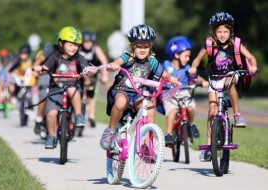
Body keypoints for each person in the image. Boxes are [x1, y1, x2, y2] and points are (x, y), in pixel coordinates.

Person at [188, 12, 258, 161]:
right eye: (219, 31)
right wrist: (193, 68)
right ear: (214, 32)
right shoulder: (209, 44)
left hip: (231, 75)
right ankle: (209, 146)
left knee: (230, 82)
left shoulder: (235, 44)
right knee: (212, 112)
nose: (222, 34)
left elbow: (251, 57)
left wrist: (253, 67)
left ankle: (237, 115)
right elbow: (197, 60)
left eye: (225, 31)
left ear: (230, 31)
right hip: (214, 78)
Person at [99, 24, 178, 151]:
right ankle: (111, 130)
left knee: (150, 108)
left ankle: (147, 144)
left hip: (139, 94)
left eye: (146, 47)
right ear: (132, 46)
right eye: (139, 46)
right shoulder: (127, 57)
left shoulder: (152, 62)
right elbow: (117, 62)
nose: (142, 49)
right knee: (120, 102)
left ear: (150, 47)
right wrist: (113, 65)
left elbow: (164, 74)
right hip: (122, 90)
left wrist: (171, 78)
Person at [33, 26, 90, 149]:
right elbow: (46, 67)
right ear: (61, 43)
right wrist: (41, 69)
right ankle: (51, 136)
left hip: (73, 88)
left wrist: (89, 71)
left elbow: (86, 68)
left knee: (71, 88)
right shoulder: (54, 57)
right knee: (51, 114)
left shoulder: (79, 58)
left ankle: (79, 115)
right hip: (56, 89)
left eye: (76, 45)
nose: (73, 47)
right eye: (70, 44)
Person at [158, 36, 208, 147]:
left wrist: (203, 81)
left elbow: (195, 77)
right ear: (176, 55)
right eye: (186, 56)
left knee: (190, 108)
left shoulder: (187, 68)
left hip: (184, 92)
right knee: (173, 110)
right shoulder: (166, 66)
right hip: (169, 94)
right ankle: (169, 135)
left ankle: (191, 124)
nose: (188, 59)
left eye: (189, 56)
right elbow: (159, 75)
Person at [79, 30, 109, 128]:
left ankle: (91, 116)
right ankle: (77, 113)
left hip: (93, 75)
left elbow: (104, 62)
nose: (88, 44)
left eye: (89, 42)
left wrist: (104, 76)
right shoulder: (78, 49)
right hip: (80, 74)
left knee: (92, 96)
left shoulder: (96, 49)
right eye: (85, 42)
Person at [33, 36, 60, 136]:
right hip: (46, 73)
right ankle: (39, 120)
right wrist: (35, 70)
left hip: (61, 75)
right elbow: (40, 59)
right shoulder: (51, 49)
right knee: (44, 93)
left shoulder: (71, 50)